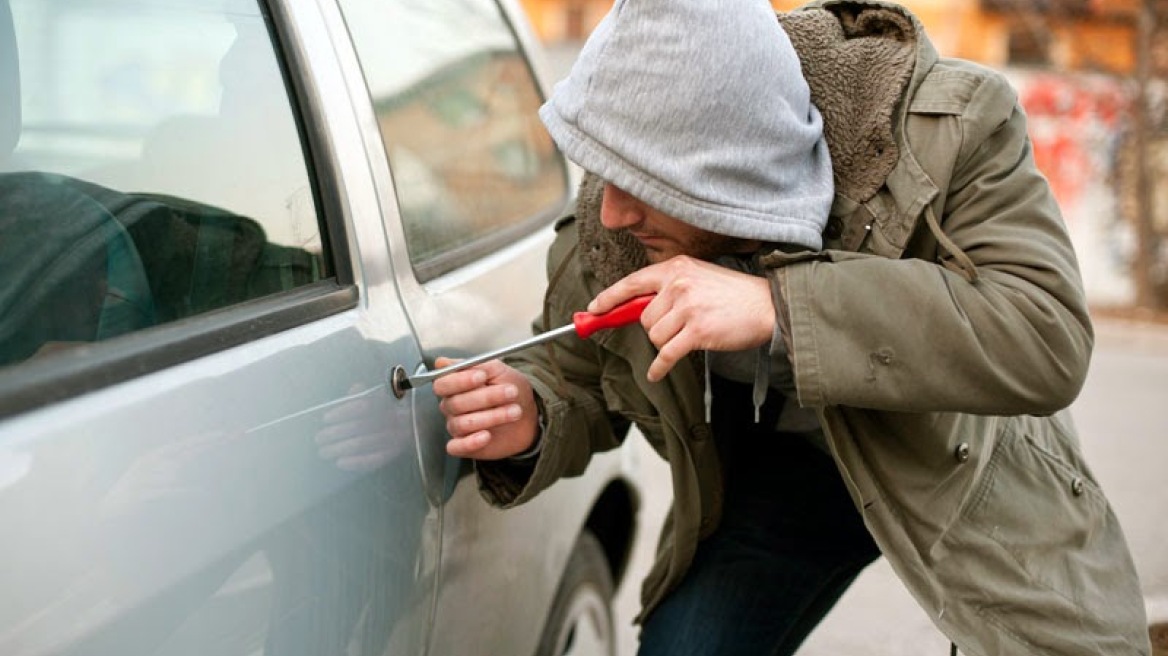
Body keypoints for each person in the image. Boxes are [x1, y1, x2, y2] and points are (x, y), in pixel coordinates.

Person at [432, 0, 1152, 654]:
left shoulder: (952, 129)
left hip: (959, 462)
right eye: (604, 174)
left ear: (726, 169)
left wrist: (778, 307)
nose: (614, 212)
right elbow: (579, 371)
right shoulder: (615, 220)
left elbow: (1045, 333)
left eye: (642, 184)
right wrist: (532, 413)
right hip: (783, 483)